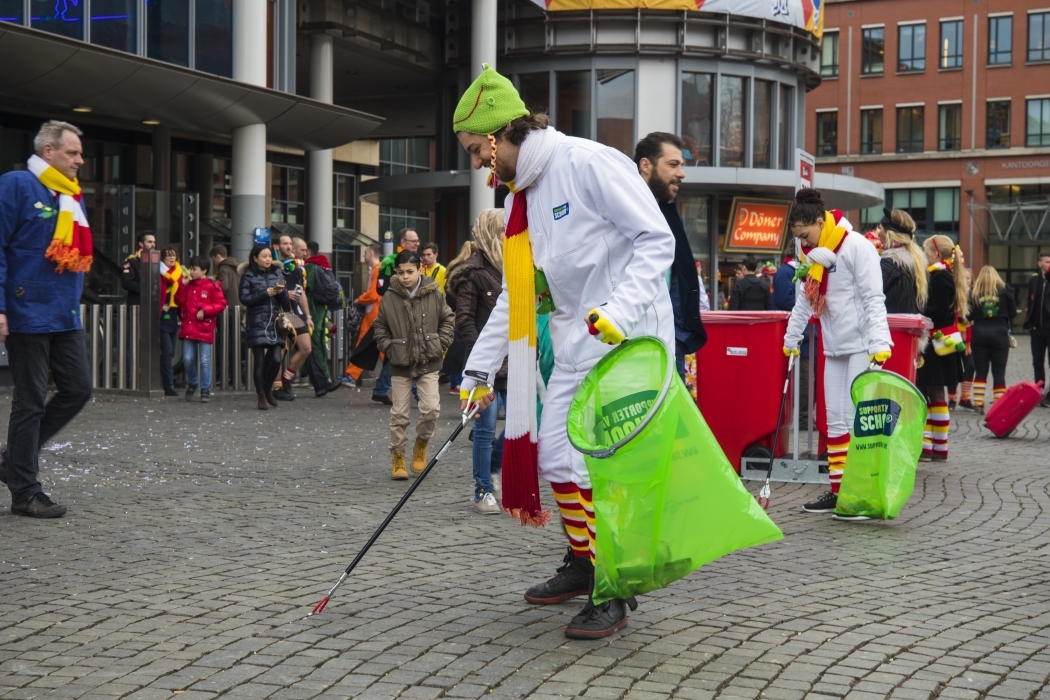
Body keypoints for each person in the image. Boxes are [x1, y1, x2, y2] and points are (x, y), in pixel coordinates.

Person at [454, 64, 676, 638]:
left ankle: (614, 586)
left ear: (504, 133)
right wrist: (478, 370)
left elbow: (658, 240)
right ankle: (584, 561)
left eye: (478, 150)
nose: (478, 163)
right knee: (555, 460)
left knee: (599, 470)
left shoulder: (588, 162)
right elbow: (521, 294)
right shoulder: (522, 199)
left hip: (629, 343)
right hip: (579, 341)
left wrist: (621, 313)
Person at [0, 119, 93, 518]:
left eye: (79, 153)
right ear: (48, 151)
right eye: (72, 152)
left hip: (64, 312)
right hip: (25, 310)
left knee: (78, 389)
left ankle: (12, 461)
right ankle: (24, 490)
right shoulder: (16, 184)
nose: (80, 160)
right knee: (31, 400)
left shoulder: (71, 195)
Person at [782, 189, 890, 519]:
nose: (803, 242)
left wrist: (879, 343)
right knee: (835, 420)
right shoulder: (809, 253)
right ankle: (839, 490)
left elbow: (874, 297)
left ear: (819, 221)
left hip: (860, 345)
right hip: (833, 346)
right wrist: (791, 336)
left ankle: (862, 491)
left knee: (858, 420)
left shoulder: (857, 247)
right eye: (798, 238)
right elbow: (805, 299)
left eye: (806, 234)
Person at [373, 250, 454, 480]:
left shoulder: (435, 294)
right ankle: (397, 455)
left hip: (429, 360)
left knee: (431, 409)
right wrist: (389, 347)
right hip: (400, 361)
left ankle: (421, 444)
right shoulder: (390, 297)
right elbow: (380, 327)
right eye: (400, 272)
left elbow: (448, 318)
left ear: (420, 269)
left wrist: (441, 342)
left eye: (410, 271)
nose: (405, 277)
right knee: (399, 413)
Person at [447, 209, 507, 513]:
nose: (506, 235)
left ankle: (496, 468)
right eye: (501, 230)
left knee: (525, 423)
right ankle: (482, 489)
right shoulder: (472, 271)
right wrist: (479, 356)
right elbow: (464, 318)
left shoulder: (515, 264)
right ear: (487, 232)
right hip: (486, 365)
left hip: (516, 360)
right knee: (484, 429)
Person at [635, 132, 706, 382]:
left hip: (666, 339)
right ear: (646, 165)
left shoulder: (664, 211)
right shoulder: (623, 212)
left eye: (682, 166)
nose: (681, 173)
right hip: (634, 344)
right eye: (673, 164)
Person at [916, 235, 969, 462]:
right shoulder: (942, 276)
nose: (923, 255)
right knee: (930, 394)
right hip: (937, 344)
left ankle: (935, 447)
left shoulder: (939, 278)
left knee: (933, 394)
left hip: (935, 344)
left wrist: (918, 312)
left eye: (926, 252)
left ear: (936, 254)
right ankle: (932, 446)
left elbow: (938, 312)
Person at [271, 235, 335, 400]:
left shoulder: (298, 267)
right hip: (279, 312)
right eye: (285, 244)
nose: (289, 246)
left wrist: (308, 316)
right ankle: (277, 386)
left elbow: (301, 293)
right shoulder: (272, 265)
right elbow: (269, 288)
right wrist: (285, 292)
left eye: (290, 244)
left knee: (306, 347)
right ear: (276, 246)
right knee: (281, 350)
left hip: (295, 313)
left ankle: (286, 379)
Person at [239, 244, 290, 410]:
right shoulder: (248, 275)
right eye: (264, 256)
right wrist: (264, 293)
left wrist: (281, 292)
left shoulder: (277, 272)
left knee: (276, 359)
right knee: (259, 361)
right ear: (255, 258)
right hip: (256, 321)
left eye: (270, 256)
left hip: (275, 321)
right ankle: (261, 395)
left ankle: (268, 388)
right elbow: (244, 298)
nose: (268, 259)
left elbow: (285, 301)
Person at [175, 255, 227, 403]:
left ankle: (205, 389)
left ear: (204, 270)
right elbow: (179, 301)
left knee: (205, 360)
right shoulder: (189, 284)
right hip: (189, 326)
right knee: (187, 359)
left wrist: (205, 309)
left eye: (194, 269)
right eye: (191, 268)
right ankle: (192, 382)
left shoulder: (212, 285)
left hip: (204, 327)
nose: (191, 271)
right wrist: (183, 285)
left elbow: (221, 304)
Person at [969, 266, 1016, 412]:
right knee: (999, 372)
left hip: (979, 333)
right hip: (999, 333)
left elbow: (969, 316)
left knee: (981, 371)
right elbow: (1013, 313)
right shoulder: (1005, 291)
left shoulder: (974, 292)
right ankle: (999, 405)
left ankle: (978, 403)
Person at [343, 244, 387, 397]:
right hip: (373, 312)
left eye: (365, 252)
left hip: (374, 312)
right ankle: (351, 375)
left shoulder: (377, 270)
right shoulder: (376, 270)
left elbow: (373, 294)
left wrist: (359, 300)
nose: (363, 256)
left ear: (371, 254)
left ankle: (351, 375)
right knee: (375, 346)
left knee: (367, 344)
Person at [301, 238, 344, 396]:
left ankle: (317, 377)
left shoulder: (310, 267)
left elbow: (305, 289)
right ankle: (321, 379)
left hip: (312, 311)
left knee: (313, 344)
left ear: (307, 251)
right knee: (317, 343)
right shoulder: (325, 265)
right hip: (322, 309)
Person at [877, 208, 928, 315]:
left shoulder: (889, 263)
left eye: (880, 228)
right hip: (908, 329)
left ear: (889, 233)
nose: (878, 233)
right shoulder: (916, 260)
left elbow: (872, 296)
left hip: (891, 328)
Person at [441, 241, 476, 395]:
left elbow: (448, 289)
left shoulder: (453, 266)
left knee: (456, 347)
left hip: (453, 311)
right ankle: (460, 384)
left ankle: (456, 382)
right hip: (462, 312)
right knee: (462, 348)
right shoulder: (466, 268)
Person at [1023, 251, 1050, 406]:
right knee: (1037, 362)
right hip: (1037, 330)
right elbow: (1030, 301)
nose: (1049, 264)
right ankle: (1039, 393)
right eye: (1046, 262)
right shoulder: (1034, 281)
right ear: (1039, 264)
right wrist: (1030, 323)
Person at [159, 247, 183, 397]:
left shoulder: (180, 272)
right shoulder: (158, 273)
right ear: (162, 258)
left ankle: (168, 380)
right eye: (168, 255)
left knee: (171, 352)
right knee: (167, 352)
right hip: (161, 314)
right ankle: (168, 385)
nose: (172, 258)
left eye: (174, 255)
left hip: (174, 314)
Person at [121, 231, 157, 306]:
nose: (153, 245)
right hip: (137, 303)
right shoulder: (132, 261)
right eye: (149, 242)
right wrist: (146, 289)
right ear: (141, 244)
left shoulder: (156, 261)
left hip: (154, 304)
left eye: (154, 242)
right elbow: (127, 283)